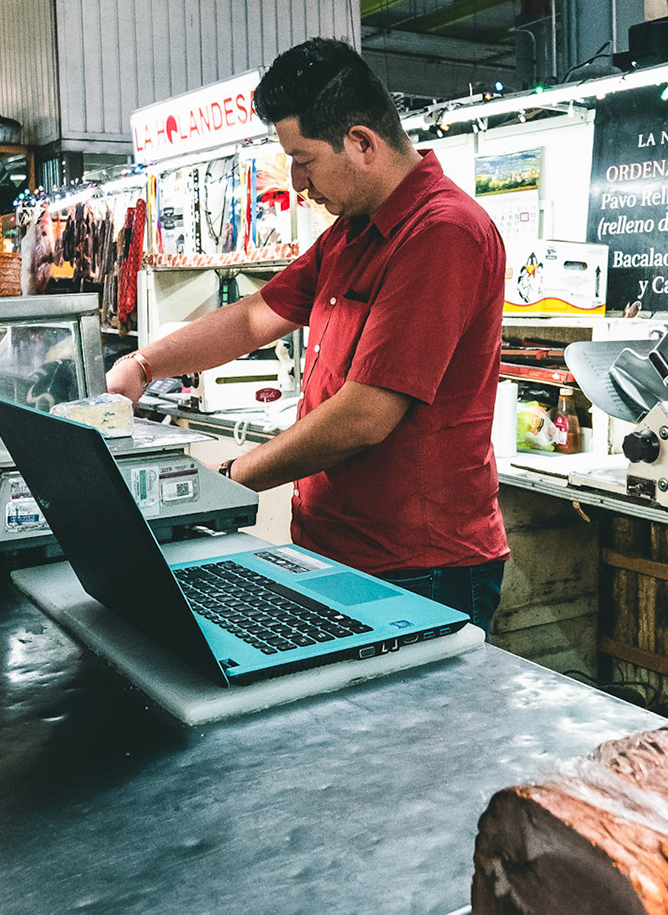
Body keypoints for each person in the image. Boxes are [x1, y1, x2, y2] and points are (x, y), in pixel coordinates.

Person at [105, 39, 510, 632]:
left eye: (304, 159)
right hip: (336, 545)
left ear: (361, 143)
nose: (297, 184)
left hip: (420, 567)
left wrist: (227, 482)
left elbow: (366, 415)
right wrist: (143, 366)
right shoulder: (352, 233)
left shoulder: (441, 234)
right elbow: (252, 318)